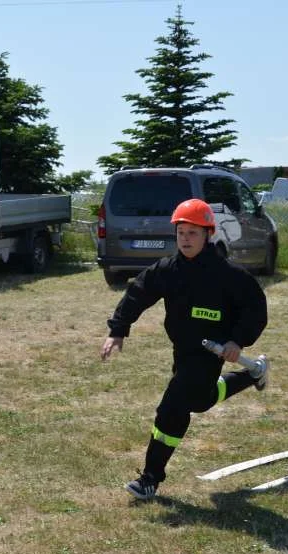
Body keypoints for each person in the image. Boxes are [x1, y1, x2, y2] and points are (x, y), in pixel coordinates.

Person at [101, 198, 270, 500]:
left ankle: (150, 477)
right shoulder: (168, 270)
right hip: (183, 349)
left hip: (211, 352)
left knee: (172, 407)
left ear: (208, 234)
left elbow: (255, 309)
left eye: (193, 233)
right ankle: (253, 373)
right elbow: (137, 294)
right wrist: (118, 330)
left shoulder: (229, 275)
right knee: (201, 400)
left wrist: (237, 340)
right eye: (181, 233)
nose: (186, 239)